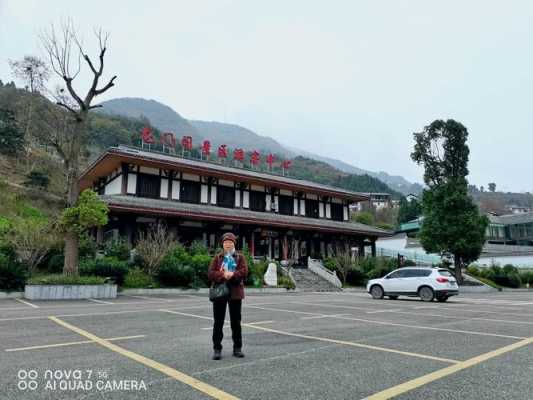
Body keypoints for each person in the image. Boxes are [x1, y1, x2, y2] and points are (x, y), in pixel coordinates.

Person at [207, 232, 248, 360]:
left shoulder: (240, 257)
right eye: (226, 242)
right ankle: (217, 349)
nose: (228, 244)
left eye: (230, 242)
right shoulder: (217, 258)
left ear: (234, 244)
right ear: (222, 244)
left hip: (235, 293)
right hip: (220, 293)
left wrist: (233, 275)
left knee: (236, 322)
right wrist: (222, 275)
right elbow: (210, 273)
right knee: (218, 322)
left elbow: (244, 271)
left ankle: (237, 348)